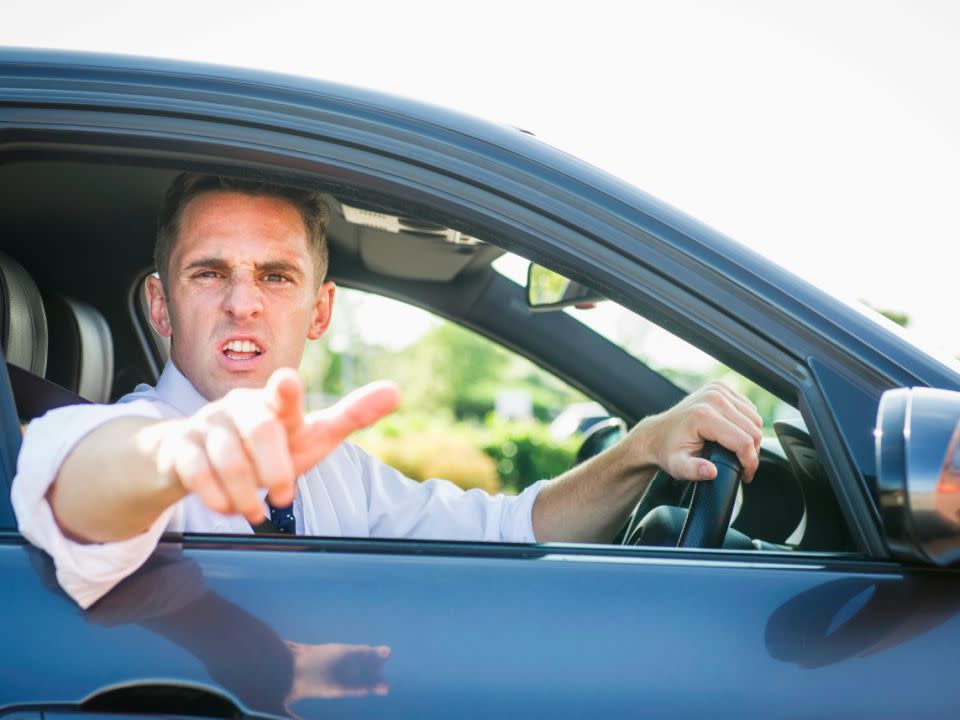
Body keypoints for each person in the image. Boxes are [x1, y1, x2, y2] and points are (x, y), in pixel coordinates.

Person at [11, 174, 764, 609]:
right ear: (160, 306)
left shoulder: (336, 471)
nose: (243, 302)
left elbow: (509, 532)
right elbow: (72, 485)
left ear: (321, 310)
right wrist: (181, 454)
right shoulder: (135, 438)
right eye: (209, 273)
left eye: (276, 276)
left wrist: (639, 450)